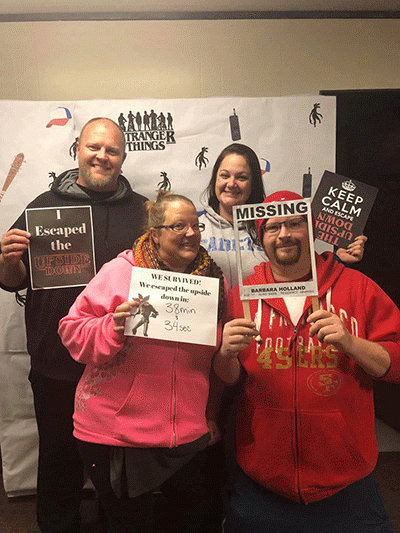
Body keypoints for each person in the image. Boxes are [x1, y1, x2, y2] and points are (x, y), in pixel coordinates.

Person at [214, 190, 400, 533]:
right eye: (272, 227)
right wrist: (224, 354)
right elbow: (228, 378)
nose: (284, 233)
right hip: (262, 481)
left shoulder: (357, 288)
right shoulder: (241, 296)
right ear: (261, 237)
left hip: (347, 484)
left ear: (311, 229)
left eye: (294, 223)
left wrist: (351, 342)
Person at [0, 117, 148, 533]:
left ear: (122, 158)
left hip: (124, 364)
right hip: (57, 363)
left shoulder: (143, 213)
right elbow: (13, 280)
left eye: (112, 150)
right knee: (59, 460)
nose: (102, 156)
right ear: (77, 150)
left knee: (117, 468)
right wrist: (8, 261)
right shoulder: (41, 207)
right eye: (94, 147)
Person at [58, 191, 227, 533]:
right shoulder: (122, 271)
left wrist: (210, 415)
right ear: (155, 234)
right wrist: (112, 327)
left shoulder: (212, 281)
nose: (191, 233)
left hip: (188, 434)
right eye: (179, 225)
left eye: (196, 225)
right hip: (118, 435)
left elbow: (214, 359)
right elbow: (72, 330)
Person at [198, 143, 367, 289]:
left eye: (241, 177)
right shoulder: (194, 227)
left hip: (259, 318)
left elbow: (297, 267)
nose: (231, 184)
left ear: (253, 183)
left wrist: (339, 259)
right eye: (225, 175)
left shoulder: (273, 227)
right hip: (211, 322)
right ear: (215, 179)